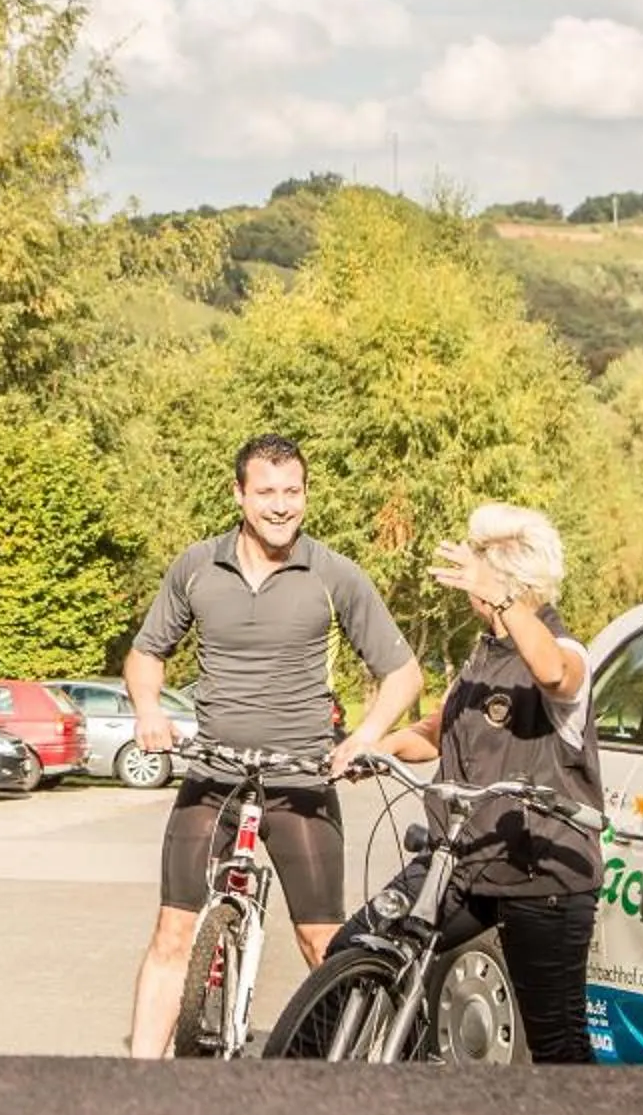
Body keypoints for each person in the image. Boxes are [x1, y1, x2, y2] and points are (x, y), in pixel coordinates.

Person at [123, 433, 427, 1058]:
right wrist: (149, 710)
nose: (281, 506)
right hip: (214, 773)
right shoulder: (197, 566)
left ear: (306, 495)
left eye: (292, 492)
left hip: (301, 780)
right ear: (239, 495)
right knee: (172, 931)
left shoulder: (334, 574)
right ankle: (138, 1084)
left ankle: (337, 1077)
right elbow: (146, 653)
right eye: (266, 493)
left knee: (324, 942)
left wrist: (364, 738)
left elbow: (404, 675)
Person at [343, 501, 602, 1065]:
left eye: (482, 578)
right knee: (359, 950)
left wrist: (502, 596)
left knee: (558, 1041)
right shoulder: (483, 657)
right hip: (459, 860)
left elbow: (554, 673)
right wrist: (376, 749)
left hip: (542, 875)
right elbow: (436, 733)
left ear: (509, 584)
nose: (470, 589)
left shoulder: (565, 650)